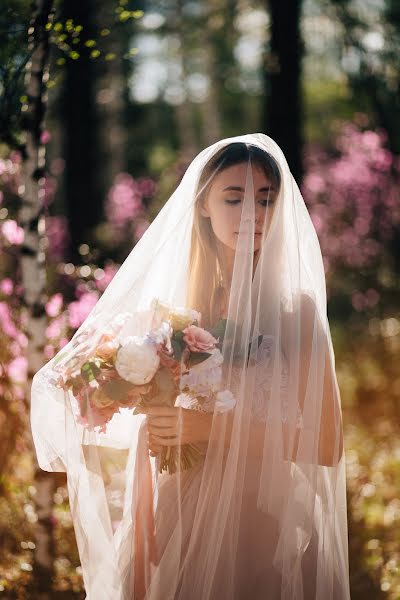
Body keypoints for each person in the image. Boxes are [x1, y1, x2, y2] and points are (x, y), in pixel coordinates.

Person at [30, 133, 351, 599]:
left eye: (265, 200)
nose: (252, 215)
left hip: (263, 526)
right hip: (179, 512)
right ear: (203, 205)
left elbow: (327, 445)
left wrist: (209, 428)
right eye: (234, 198)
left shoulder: (294, 314)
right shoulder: (174, 310)